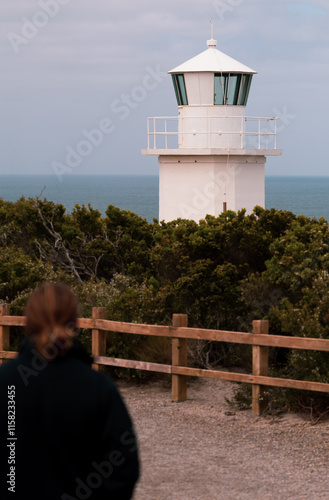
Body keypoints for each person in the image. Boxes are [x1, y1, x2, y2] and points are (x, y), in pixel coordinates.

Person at [0, 282, 139, 500]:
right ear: (75, 323)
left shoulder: (5, 382)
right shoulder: (99, 387)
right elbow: (123, 469)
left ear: (27, 324)